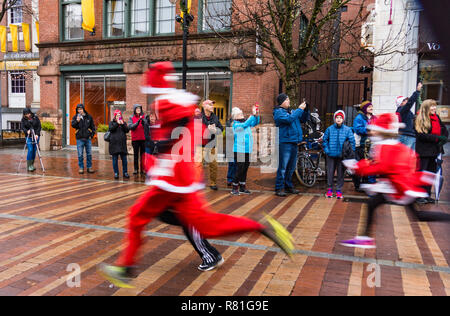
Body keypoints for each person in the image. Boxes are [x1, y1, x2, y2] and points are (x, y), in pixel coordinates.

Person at [98, 62, 294, 288]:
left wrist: (158, 158)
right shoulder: (174, 105)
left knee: (138, 217)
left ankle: (127, 266)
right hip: (182, 180)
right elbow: (193, 136)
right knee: (206, 225)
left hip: (171, 180)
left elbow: (172, 140)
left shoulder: (167, 104)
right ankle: (260, 227)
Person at [341, 113, 450, 249]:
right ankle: (365, 238)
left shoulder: (386, 146)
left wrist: (357, 167)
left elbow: (381, 166)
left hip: (399, 186)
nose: (371, 131)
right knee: (372, 204)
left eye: (374, 129)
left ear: (381, 131)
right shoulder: (384, 145)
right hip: (391, 184)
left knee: (418, 215)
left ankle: (447, 218)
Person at [273, 93, 309, 197]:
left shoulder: (292, 112)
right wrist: (299, 110)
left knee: (291, 167)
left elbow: (303, 119)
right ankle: (279, 188)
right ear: (282, 101)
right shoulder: (278, 112)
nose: (289, 101)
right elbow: (289, 119)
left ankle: (288, 186)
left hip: (294, 141)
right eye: (287, 100)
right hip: (285, 142)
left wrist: (305, 110)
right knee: (283, 167)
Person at [415, 99, 449, 204]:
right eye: (432, 106)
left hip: (435, 150)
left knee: (430, 174)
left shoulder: (437, 117)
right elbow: (421, 135)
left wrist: (443, 138)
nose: (434, 108)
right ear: (426, 108)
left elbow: (444, 130)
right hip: (424, 151)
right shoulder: (419, 118)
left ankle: (427, 194)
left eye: (435, 106)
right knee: (422, 173)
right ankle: (419, 196)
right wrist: (437, 138)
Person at [322, 110, 355, 199]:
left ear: (343, 119)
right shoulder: (329, 129)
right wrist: (327, 150)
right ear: (334, 119)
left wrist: (350, 154)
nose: (339, 119)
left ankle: (339, 190)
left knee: (341, 173)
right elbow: (325, 140)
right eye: (337, 117)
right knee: (330, 172)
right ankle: (329, 189)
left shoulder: (347, 130)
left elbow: (352, 142)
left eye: (340, 117)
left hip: (342, 155)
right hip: (331, 155)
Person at [230, 106, 260, 195]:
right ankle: (234, 187)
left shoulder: (246, 122)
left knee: (245, 168)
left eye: (241, 113)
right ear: (235, 117)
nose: (242, 114)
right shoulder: (236, 124)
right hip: (239, 150)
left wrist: (256, 115)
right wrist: (252, 115)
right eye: (239, 114)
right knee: (240, 168)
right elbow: (245, 125)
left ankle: (242, 186)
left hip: (247, 149)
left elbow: (255, 122)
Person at [201, 100, 224, 190]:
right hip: (201, 145)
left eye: (212, 105)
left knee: (214, 166)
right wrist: (207, 128)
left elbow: (221, 128)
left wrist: (216, 130)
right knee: (198, 166)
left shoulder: (215, 117)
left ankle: (213, 183)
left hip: (212, 145)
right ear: (204, 106)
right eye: (210, 105)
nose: (212, 106)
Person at [352, 100, 375, 191]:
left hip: (371, 145)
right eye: (369, 107)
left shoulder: (374, 117)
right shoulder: (359, 117)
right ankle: (357, 185)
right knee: (359, 165)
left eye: (372, 106)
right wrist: (369, 130)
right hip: (361, 145)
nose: (371, 108)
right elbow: (357, 129)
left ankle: (365, 184)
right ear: (365, 108)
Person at [395, 82, 423, 150]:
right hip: (406, 136)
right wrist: (417, 91)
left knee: (410, 158)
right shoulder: (402, 110)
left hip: (409, 136)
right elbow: (410, 103)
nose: (407, 101)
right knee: (406, 157)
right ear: (401, 103)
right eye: (405, 100)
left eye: (407, 100)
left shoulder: (406, 111)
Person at [71, 104, 96, 174]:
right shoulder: (76, 117)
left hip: (88, 138)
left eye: (81, 109)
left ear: (83, 109)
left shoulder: (89, 117)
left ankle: (89, 167)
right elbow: (73, 125)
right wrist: (77, 121)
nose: (79, 111)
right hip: (79, 138)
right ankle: (81, 168)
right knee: (80, 154)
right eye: (78, 109)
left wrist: (91, 135)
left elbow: (93, 127)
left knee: (89, 154)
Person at [109, 110, 130, 180]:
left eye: (119, 115)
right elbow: (111, 129)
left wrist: (123, 124)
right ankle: (116, 173)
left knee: (124, 159)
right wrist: (117, 124)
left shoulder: (123, 123)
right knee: (115, 159)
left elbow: (127, 130)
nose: (118, 116)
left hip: (122, 145)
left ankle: (125, 172)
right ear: (115, 116)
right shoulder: (112, 123)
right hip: (114, 144)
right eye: (117, 115)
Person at [128, 104, 146, 175]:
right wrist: (137, 122)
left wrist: (143, 121)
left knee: (143, 155)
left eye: (139, 109)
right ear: (134, 110)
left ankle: (143, 169)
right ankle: (136, 169)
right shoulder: (131, 117)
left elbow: (147, 125)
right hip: (135, 139)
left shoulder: (144, 117)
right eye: (137, 108)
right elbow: (130, 127)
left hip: (143, 139)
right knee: (136, 155)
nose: (138, 110)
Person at [225, 116, 236, 187]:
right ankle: (229, 179)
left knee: (236, 164)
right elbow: (227, 134)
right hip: (230, 146)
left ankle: (235, 179)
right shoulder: (228, 123)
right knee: (231, 163)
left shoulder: (240, 122)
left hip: (237, 146)